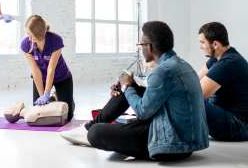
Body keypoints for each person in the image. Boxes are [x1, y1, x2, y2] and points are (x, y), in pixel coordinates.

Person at [60, 21, 209, 161]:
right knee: (129, 87)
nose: (141, 48)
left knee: (96, 133)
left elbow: (143, 112)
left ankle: (90, 130)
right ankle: (88, 127)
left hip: (170, 146)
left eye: (141, 44)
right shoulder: (184, 65)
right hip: (186, 141)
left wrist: (127, 88)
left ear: (149, 47)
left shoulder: (162, 71)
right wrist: (127, 88)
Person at [197, 22, 248, 141]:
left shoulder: (228, 63)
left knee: (189, 101)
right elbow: (194, 79)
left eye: (202, 42)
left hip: (239, 125)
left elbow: (195, 94)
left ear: (215, 44)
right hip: (227, 115)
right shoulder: (217, 59)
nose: (200, 47)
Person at [21, 15, 74, 121]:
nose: (30, 38)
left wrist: (46, 94)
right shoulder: (26, 44)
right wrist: (42, 97)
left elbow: (51, 70)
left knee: (67, 116)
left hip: (61, 77)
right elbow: (36, 72)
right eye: (28, 34)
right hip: (41, 79)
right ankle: (54, 97)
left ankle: (66, 100)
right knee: (39, 112)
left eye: (33, 35)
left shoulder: (56, 40)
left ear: (40, 33)